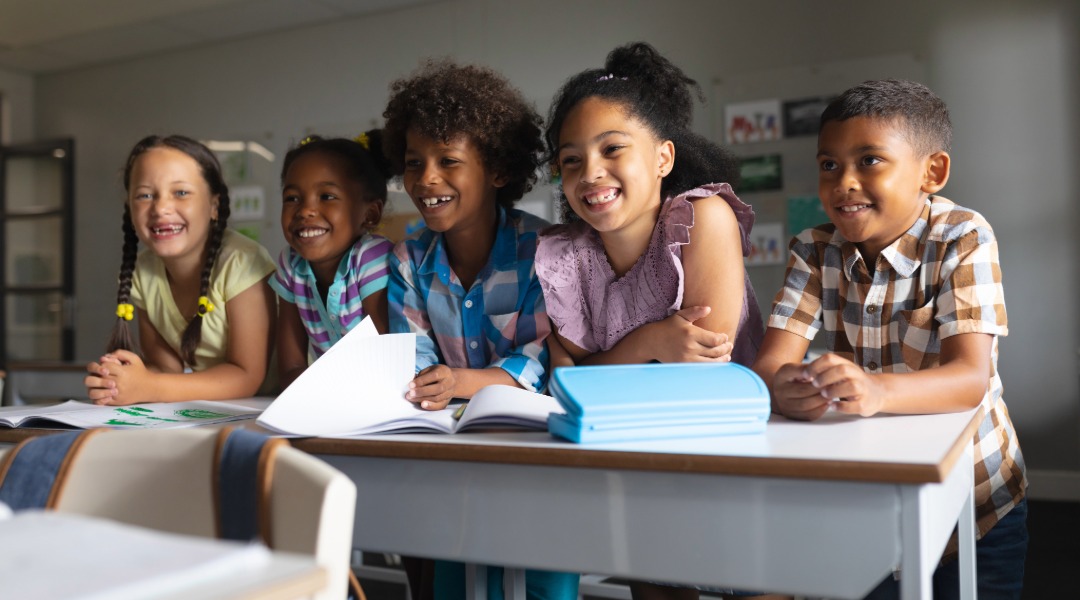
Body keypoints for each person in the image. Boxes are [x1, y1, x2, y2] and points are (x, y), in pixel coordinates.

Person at [751, 79, 1027, 599]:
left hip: (974, 500)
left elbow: (969, 379)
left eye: (870, 160)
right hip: (871, 500)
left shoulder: (963, 236)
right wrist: (783, 388)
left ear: (932, 172)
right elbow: (768, 368)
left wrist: (875, 390)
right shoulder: (813, 249)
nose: (844, 182)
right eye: (829, 164)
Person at [535, 42, 771, 600]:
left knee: (758, 584)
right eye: (571, 160)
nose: (591, 172)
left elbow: (706, 369)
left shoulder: (703, 218)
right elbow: (567, 386)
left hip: (732, 457)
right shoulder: (563, 256)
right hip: (634, 470)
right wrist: (652, 342)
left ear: (663, 158)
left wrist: (600, 367)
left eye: (612, 148)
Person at [382, 59, 576, 600]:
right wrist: (432, 382)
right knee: (455, 577)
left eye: (448, 161)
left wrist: (462, 382)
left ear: (497, 169)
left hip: (537, 461)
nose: (426, 179)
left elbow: (542, 357)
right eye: (414, 163)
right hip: (452, 462)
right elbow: (414, 360)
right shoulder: (408, 262)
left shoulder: (545, 251)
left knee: (541, 580)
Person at [84, 135, 276, 405]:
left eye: (181, 193)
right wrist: (117, 381)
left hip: (273, 408)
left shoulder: (242, 262)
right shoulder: (142, 272)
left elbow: (247, 376)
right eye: (145, 195)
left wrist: (149, 386)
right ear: (129, 208)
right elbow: (166, 369)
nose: (161, 208)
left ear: (214, 205)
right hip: (217, 413)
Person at [270, 132, 395, 388]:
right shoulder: (291, 264)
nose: (305, 210)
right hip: (331, 399)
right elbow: (290, 370)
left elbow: (387, 364)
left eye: (326, 196)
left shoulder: (371, 258)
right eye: (292, 198)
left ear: (370, 214)